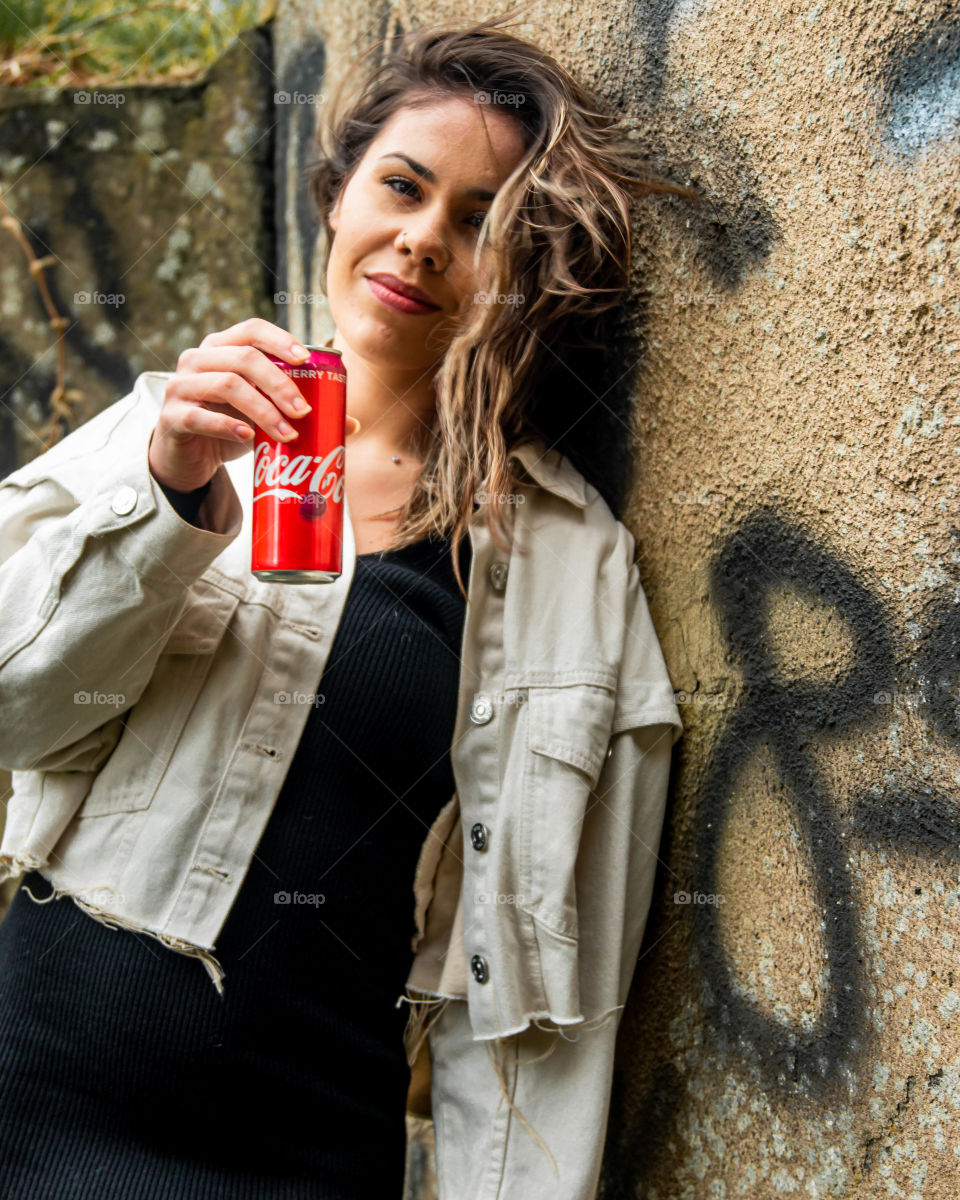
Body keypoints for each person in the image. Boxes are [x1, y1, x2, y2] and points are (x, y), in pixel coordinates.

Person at [0, 14, 695, 1199]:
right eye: (405, 187)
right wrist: (166, 490)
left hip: (317, 1149)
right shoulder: (165, 429)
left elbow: (547, 1006)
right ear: (336, 198)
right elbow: (17, 715)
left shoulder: (575, 567)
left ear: (525, 270)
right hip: (48, 1109)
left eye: (481, 222)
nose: (425, 240)